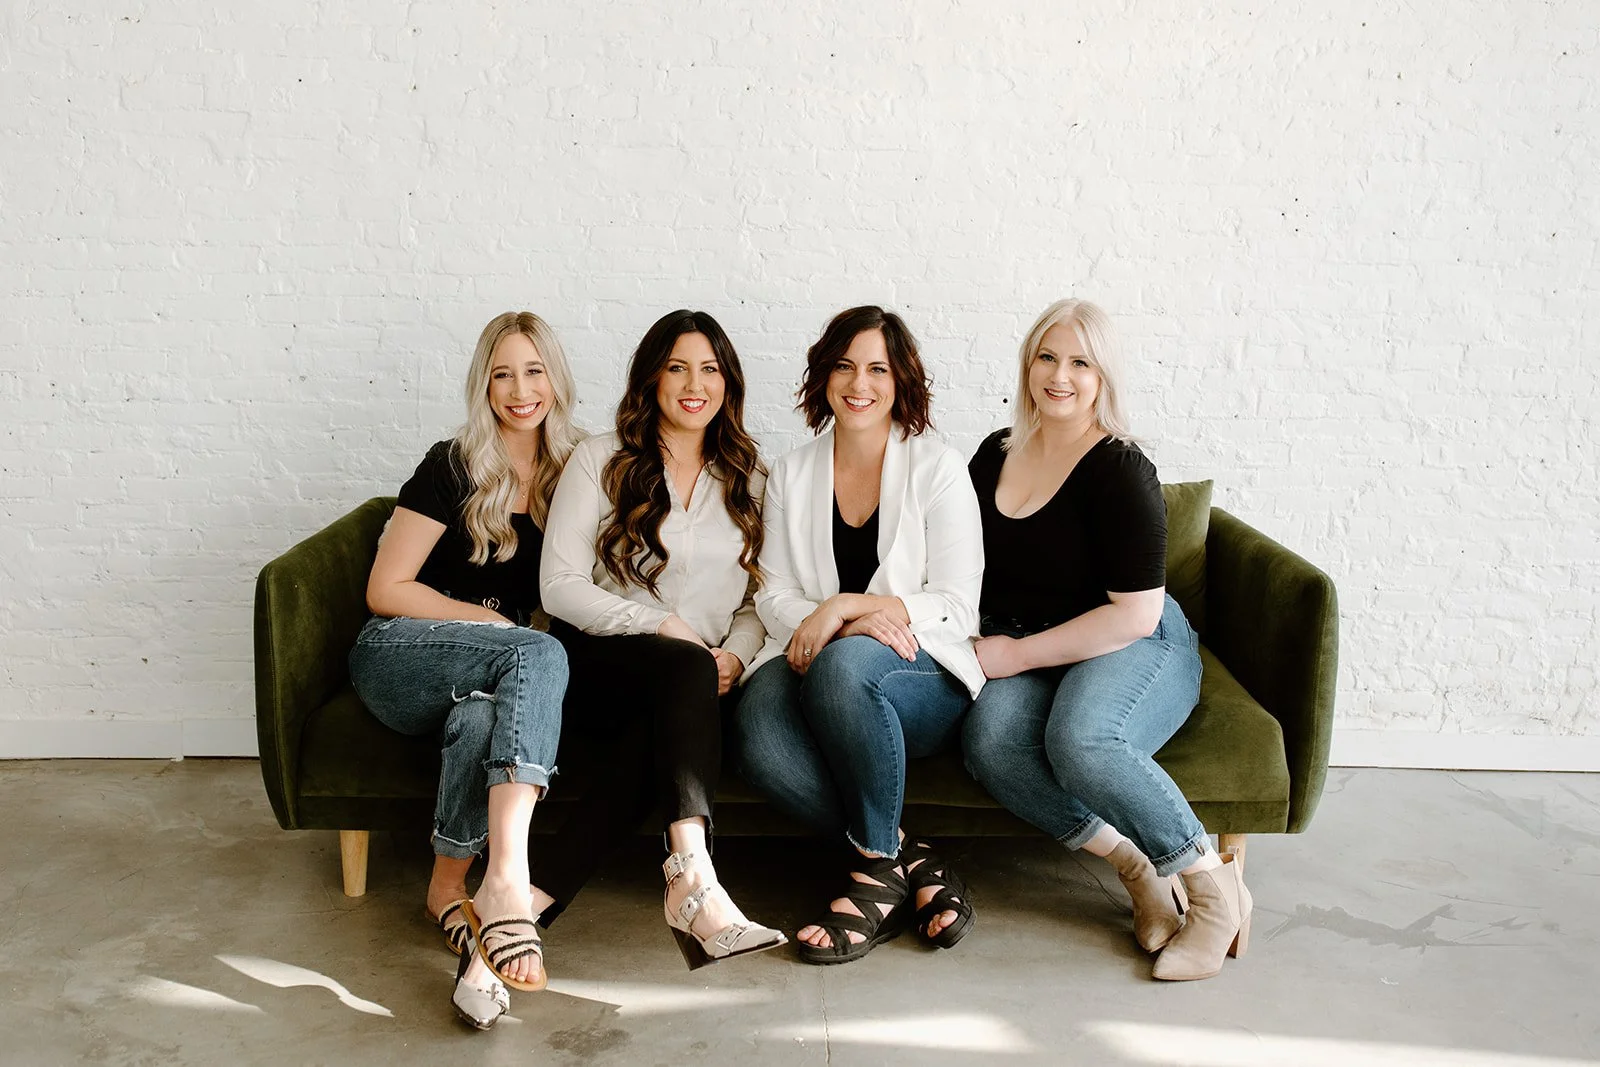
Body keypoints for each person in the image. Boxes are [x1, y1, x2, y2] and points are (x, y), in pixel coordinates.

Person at [961, 298, 1250, 981]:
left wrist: (1015, 655)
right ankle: (1139, 868)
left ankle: (1214, 895)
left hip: (1131, 639)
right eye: (1047, 357)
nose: (1059, 376)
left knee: (1083, 740)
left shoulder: (1121, 469)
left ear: (1103, 377)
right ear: (1028, 365)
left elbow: (1135, 615)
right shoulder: (993, 454)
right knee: (990, 743)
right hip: (1033, 640)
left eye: (1080, 362)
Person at [349, 311, 583, 1028]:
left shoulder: (578, 471)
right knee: (538, 651)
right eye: (502, 374)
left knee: (485, 714)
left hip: (487, 680)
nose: (520, 390)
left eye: (534, 371)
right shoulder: (451, 465)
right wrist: (497, 628)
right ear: (484, 385)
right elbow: (386, 588)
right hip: (400, 655)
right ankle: (509, 880)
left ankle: (447, 888)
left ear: (556, 379)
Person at [533, 309, 786, 968]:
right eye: (677, 367)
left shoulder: (752, 479)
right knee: (681, 671)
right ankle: (696, 885)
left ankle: (516, 915)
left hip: (698, 683)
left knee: (659, 733)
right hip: (600, 666)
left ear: (728, 382)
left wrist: (735, 654)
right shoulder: (601, 459)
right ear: (651, 378)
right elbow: (558, 586)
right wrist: (663, 626)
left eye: (709, 369)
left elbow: (759, 599)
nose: (694, 384)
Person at [734, 306, 985, 965]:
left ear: (901, 381)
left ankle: (872, 877)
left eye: (878, 368)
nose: (860, 383)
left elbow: (958, 606)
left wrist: (846, 607)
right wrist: (835, 621)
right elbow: (773, 593)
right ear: (824, 376)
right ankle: (907, 855)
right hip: (806, 653)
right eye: (844, 366)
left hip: (915, 673)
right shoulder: (791, 473)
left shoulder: (938, 467)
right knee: (758, 737)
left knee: (845, 668)